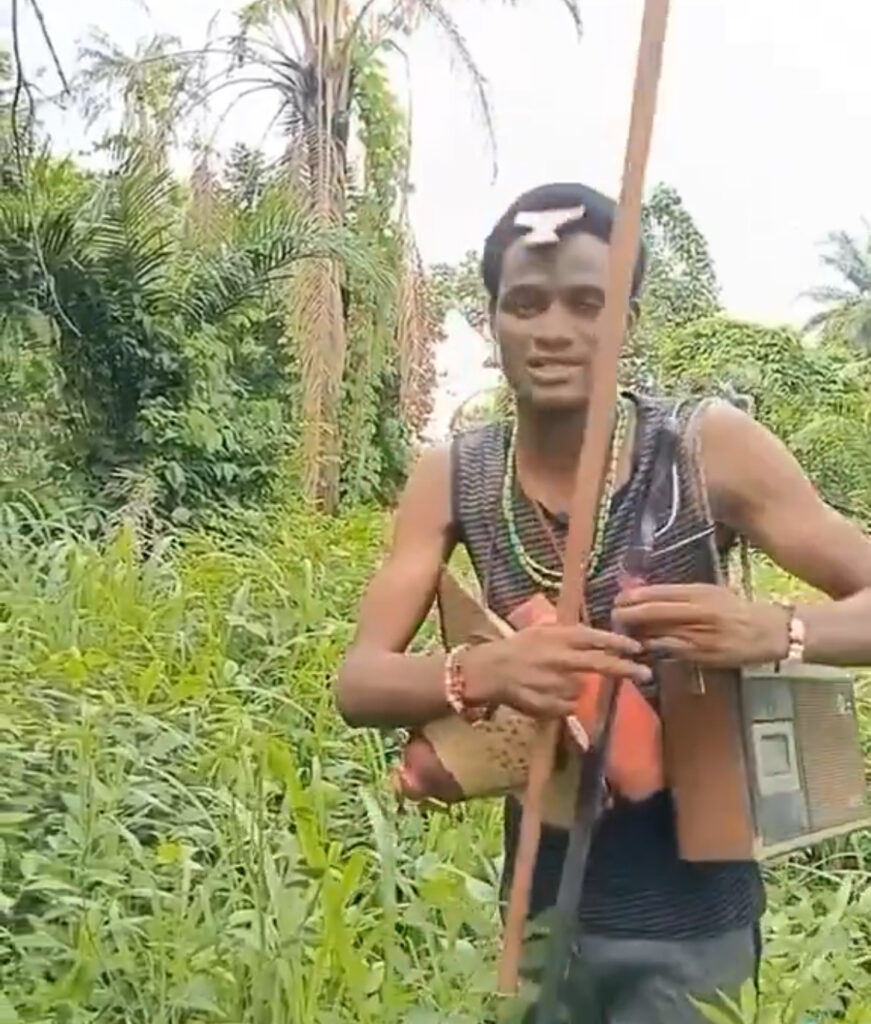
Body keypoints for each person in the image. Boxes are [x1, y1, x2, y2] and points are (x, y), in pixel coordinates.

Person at [335, 182, 871, 1023]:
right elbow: (358, 683)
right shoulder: (456, 476)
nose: (553, 329)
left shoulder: (704, 449)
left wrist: (774, 628)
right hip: (541, 919)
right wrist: (484, 671)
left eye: (587, 302)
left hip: (696, 925)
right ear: (491, 320)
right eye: (525, 303)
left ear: (627, 317)